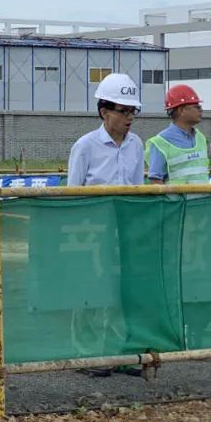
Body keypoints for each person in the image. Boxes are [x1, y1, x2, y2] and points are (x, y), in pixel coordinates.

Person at [66, 72, 145, 376]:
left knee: (121, 291)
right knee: (89, 291)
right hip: (91, 230)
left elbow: (137, 189)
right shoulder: (85, 146)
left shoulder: (136, 145)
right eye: (123, 111)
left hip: (123, 229)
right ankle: (86, 355)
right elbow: (73, 193)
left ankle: (117, 353)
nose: (129, 118)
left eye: (132, 111)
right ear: (104, 112)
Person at [147, 85, 211, 347]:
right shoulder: (160, 144)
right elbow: (155, 184)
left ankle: (199, 328)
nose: (200, 109)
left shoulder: (201, 138)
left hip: (203, 221)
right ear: (181, 110)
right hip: (179, 223)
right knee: (183, 275)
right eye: (196, 105)